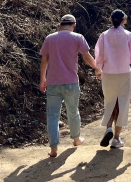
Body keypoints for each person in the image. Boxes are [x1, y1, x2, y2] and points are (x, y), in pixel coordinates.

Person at [39, 14, 97, 158]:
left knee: (52, 115)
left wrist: (42, 79)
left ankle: (53, 149)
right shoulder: (78, 37)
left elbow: (44, 61)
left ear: (59, 25)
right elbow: (86, 56)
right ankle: (76, 139)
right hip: (71, 81)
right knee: (73, 111)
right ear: (74, 25)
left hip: (52, 82)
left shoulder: (50, 38)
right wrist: (98, 67)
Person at [94, 10, 131, 149]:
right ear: (123, 20)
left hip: (108, 73)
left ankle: (108, 128)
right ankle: (116, 138)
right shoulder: (128, 35)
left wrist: (98, 70)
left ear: (111, 20)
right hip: (124, 74)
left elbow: (99, 56)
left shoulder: (103, 36)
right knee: (122, 104)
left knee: (109, 102)